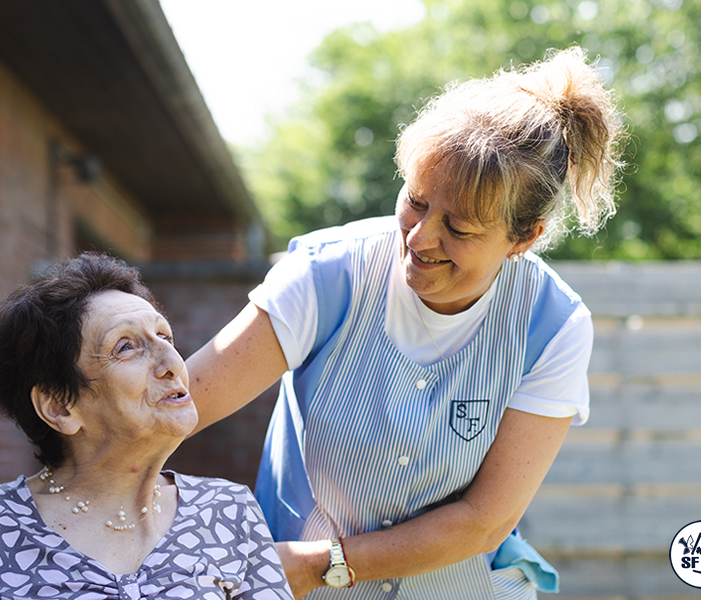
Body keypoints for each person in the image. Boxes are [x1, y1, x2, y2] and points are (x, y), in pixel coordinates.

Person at [184, 46, 625, 599]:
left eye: (459, 229)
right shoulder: (325, 275)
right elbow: (180, 405)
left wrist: (325, 565)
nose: (418, 238)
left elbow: (483, 521)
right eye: (415, 200)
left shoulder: (553, 327)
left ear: (524, 237)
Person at [0, 253, 294, 600]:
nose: (172, 361)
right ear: (60, 407)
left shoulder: (229, 510)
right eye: (126, 347)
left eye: (165, 337)